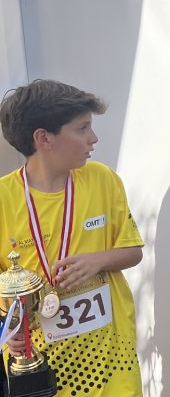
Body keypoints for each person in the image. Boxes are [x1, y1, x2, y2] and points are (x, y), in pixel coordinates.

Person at [0, 79, 144, 396]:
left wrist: (98, 260)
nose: (94, 138)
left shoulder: (103, 179)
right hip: (40, 367)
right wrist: (8, 329)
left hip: (112, 364)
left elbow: (134, 250)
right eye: (82, 128)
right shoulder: (4, 199)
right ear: (44, 138)